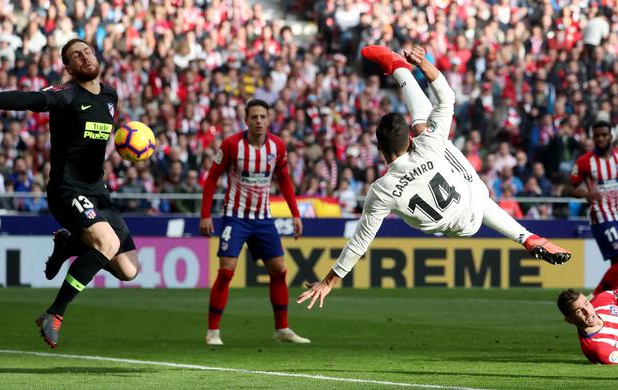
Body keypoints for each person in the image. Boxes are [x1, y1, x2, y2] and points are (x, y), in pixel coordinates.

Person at [298, 45, 571, 309]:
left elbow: (360, 242)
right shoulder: (428, 144)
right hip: (469, 193)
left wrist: (329, 281)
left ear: (379, 149)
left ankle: (525, 236)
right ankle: (401, 69)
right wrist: (424, 65)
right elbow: (448, 98)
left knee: (427, 130)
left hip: (456, 226)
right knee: (426, 126)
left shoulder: (381, 191)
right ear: (408, 141)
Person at [0, 38, 139, 349]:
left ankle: (68, 244)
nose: (84, 57)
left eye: (87, 51)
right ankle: (54, 313)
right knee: (107, 242)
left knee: (128, 269)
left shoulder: (110, 95)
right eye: (76, 56)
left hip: (98, 192)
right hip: (67, 189)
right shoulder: (66, 95)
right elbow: (32, 100)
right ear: (69, 68)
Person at [200, 98, 310, 345]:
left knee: (279, 271)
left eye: (263, 117)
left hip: (263, 218)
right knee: (226, 271)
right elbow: (211, 178)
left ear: (269, 119)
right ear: (246, 120)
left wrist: (296, 214)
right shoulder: (231, 145)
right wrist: (205, 214)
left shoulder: (277, 147)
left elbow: (284, 181)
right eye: (254, 117)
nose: (259, 121)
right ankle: (212, 332)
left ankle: (282, 329)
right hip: (235, 217)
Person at [568, 121, 618, 294]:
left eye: (604, 135)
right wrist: (586, 195)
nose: (600, 139)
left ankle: (610, 299)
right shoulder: (585, 161)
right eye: (597, 136)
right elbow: (569, 188)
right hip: (601, 216)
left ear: (611, 136)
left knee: (616, 263)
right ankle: (594, 297)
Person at [557, 288, 618, 364]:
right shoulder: (599, 348)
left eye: (586, 304)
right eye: (579, 311)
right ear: (570, 320)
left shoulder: (602, 299)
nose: (587, 312)